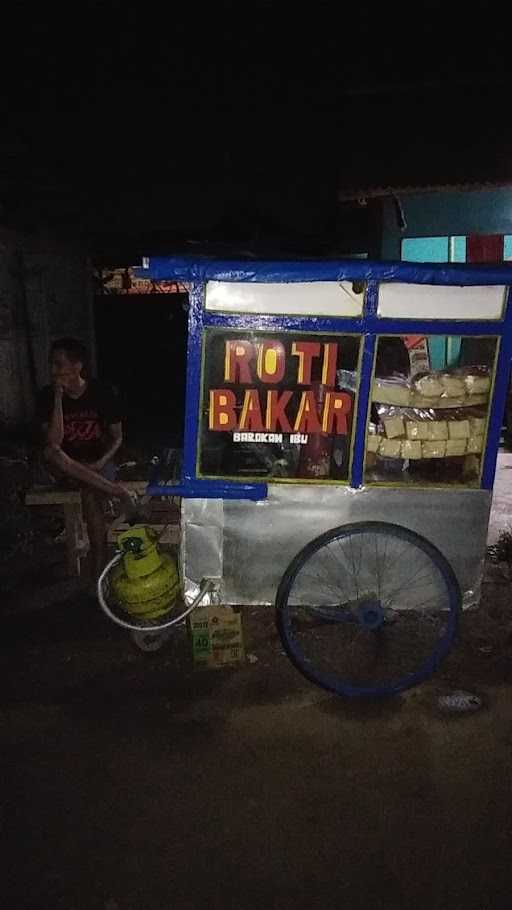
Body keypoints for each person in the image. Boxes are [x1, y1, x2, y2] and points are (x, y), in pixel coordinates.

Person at [36, 338, 134, 584]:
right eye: (52, 365)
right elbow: (54, 442)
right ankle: (119, 492)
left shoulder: (102, 392)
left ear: (78, 366)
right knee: (52, 452)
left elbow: (118, 437)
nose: (53, 371)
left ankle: (99, 568)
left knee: (91, 498)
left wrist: (102, 461)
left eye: (59, 365)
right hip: (65, 466)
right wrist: (58, 398)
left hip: (96, 463)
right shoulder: (47, 396)